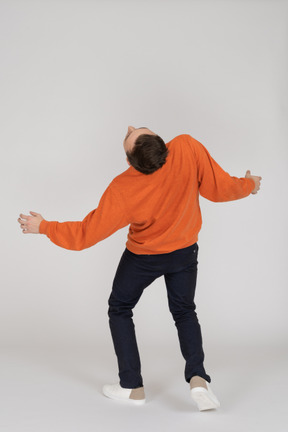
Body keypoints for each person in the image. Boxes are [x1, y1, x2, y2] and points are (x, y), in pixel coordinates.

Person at [18, 126, 262, 411]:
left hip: (143, 258)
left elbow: (87, 233)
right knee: (184, 311)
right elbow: (219, 188)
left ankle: (132, 387)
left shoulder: (123, 185)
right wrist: (249, 185)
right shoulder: (185, 146)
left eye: (136, 131)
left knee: (119, 308)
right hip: (184, 252)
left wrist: (44, 227)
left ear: (132, 161)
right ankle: (198, 379)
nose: (131, 127)